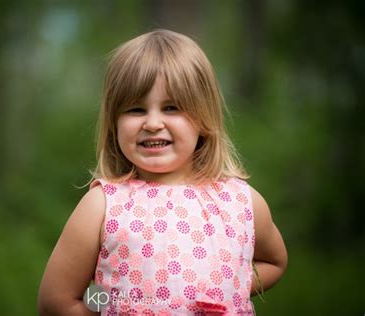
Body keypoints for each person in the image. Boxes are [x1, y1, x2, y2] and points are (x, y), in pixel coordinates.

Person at [38, 29, 287, 315]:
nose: (153, 123)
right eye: (135, 109)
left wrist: (231, 288)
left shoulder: (241, 202)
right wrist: (110, 304)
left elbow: (274, 262)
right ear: (113, 123)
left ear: (204, 118)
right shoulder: (104, 206)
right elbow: (56, 301)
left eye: (171, 108)